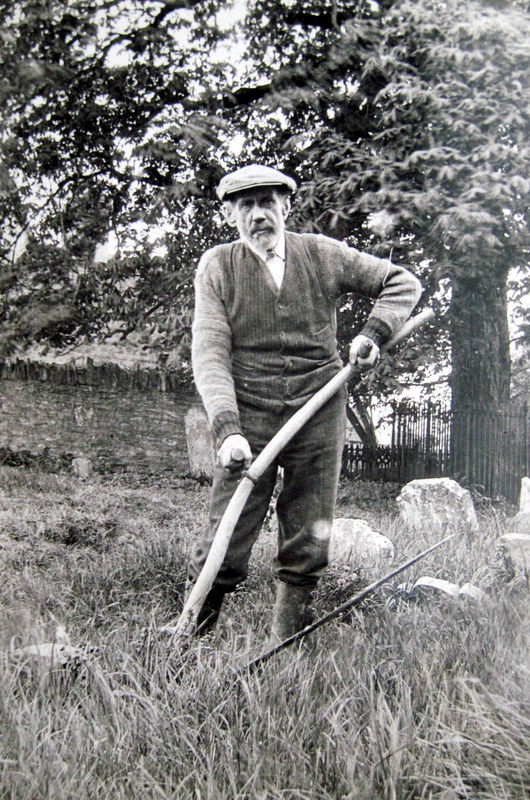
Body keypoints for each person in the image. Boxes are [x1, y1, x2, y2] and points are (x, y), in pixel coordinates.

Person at [188, 164, 422, 640]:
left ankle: (288, 640)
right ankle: (191, 637)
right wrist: (228, 430)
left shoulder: (320, 253)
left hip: (319, 407)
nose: (258, 215)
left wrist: (373, 334)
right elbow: (209, 353)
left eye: (267, 203)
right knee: (227, 528)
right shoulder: (218, 266)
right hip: (249, 414)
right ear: (231, 215)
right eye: (246, 206)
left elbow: (402, 283)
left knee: (309, 529)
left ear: (286, 206)